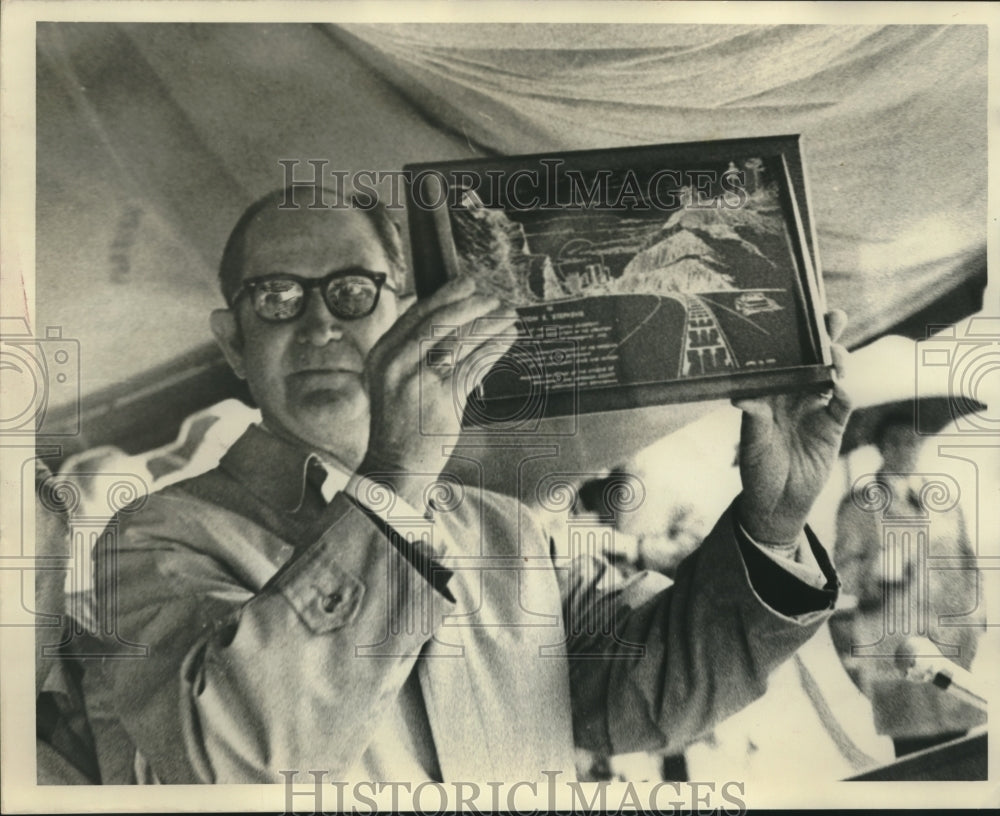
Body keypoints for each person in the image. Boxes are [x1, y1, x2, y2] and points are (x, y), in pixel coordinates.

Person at [85, 185, 851, 787]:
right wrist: (395, 481)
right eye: (276, 298)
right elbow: (241, 761)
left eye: (351, 291)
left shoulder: (511, 532)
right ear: (232, 344)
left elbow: (649, 701)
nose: (317, 327)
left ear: (407, 315)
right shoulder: (156, 535)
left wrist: (771, 522)